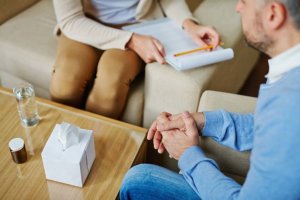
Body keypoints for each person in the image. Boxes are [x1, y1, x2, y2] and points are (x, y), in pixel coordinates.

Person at [120, 0, 300, 199]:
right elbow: (266, 128)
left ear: (273, 14)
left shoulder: (289, 105)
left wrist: (187, 155)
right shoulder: (290, 77)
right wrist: (201, 121)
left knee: (137, 183)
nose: (238, 7)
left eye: (244, 2)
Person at [49, 0, 220, 119]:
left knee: (111, 80)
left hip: (136, 25)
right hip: (84, 25)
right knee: (65, 82)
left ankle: (96, 151)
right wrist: (131, 40)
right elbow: (70, 20)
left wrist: (189, 24)